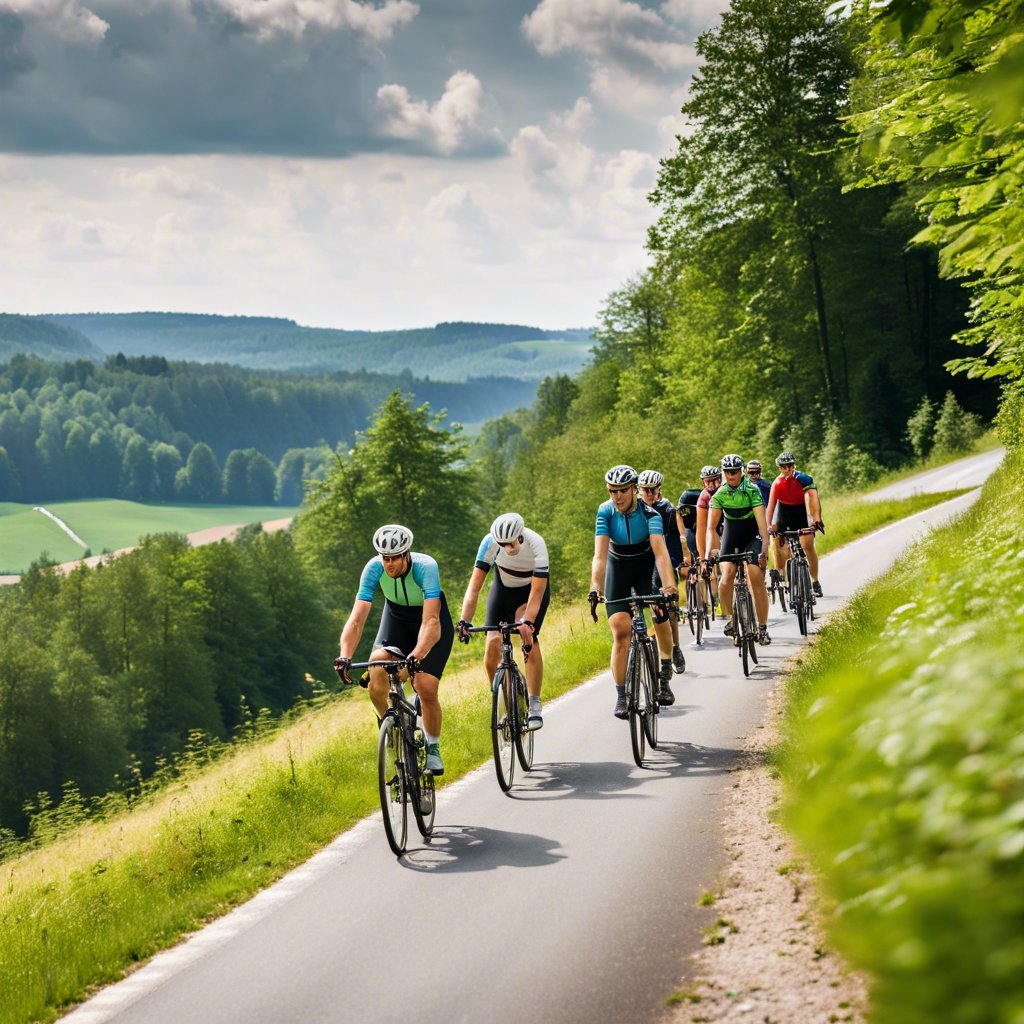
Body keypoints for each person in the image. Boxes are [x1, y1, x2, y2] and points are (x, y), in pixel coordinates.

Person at [334, 524, 454, 775]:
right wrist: (345, 655)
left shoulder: (426, 567)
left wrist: (417, 655)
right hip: (396, 620)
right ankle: (388, 723)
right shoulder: (373, 568)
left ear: (406, 553)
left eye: (394, 558)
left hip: (430, 623)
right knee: (376, 667)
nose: (389, 564)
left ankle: (433, 749)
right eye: (385, 558)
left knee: (425, 686)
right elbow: (356, 620)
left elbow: (431, 621)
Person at [590, 465, 678, 718]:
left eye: (622, 491)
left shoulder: (650, 514)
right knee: (620, 631)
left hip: (644, 565)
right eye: (612, 491)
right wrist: (595, 586)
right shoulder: (605, 512)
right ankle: (621, 694)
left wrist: (669, 585)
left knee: (659, 611)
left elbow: (661, 554)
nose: (617, 497)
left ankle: (664, 670)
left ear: (634, 490)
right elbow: (599, 556)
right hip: (618, 566)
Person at [457, 512, 550, 729]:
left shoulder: (536, 543)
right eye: (503, 544)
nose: (508, 549)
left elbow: (537, 592)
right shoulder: (489, 543)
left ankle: (534, 702)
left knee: (528, 635)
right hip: (502, 592)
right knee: (491, 646)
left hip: (530, 593)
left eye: (511, 543)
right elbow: (475, 586)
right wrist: (464, 620)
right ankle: (505, 703)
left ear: (520, 536)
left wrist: (528, 621)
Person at [707, 455, 772, 645]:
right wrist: (708, 554)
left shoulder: (752, 490)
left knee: (755, 575)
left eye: (734, 471)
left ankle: (762, 628)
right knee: (726, 577)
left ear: (741, 471)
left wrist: (764, 551)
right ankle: (730, 619)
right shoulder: (719, 494)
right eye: (727, 472)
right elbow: (711, 528)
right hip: (732, 534)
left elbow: (762, 524)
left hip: (752, 535)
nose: (731, 475)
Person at [638, 469, 686, 676]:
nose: (649, 494)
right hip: (641, 561)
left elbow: (673, 541)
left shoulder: (666, 509)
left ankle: (675, 647)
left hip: (662, 559)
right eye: (645, 490)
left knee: (669, 607)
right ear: (639, 490)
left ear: (659, 490)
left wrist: (675, 565)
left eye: (653, 490)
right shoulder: (634, 509)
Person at [765, 451, 824, 597]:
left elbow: (813, 497)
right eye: (783, 467)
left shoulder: (804, 479)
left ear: (794, 465)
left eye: (789, 466)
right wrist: (768, 525)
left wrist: (816, 518)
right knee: (779, 545)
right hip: (784, 513)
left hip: (801, 512)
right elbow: (771, 506)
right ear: (780, 468)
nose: (787, 469)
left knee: (808, 545)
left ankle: (815, 580)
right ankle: (783, 578)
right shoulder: (777, 483)